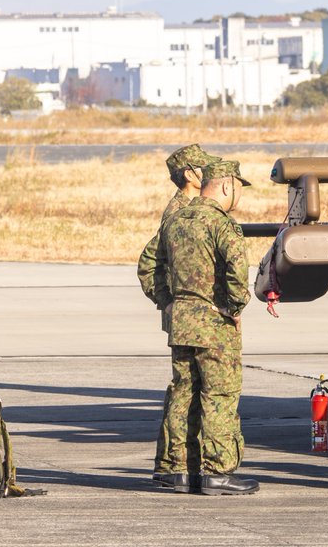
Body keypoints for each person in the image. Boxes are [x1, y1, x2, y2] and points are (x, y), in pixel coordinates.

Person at [153, 159, 257, 495]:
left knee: (184, 395)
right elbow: (237, 272)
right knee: (219, 396)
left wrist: (169, 301)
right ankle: (217, 472)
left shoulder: (176, 219)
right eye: (238, 188)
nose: (237, 195)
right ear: (226, 186)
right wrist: (235, 307)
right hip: (214, 323)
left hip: (182, 321)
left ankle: (179, 470)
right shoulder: (222, 224)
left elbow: (155, 265)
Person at [137, 143, 219, 489]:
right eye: (205, 169)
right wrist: (166, 300)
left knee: (186, 388)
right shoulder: (180, 212)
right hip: (189, 313)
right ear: (190, 175)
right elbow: (152, 263)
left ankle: (173, 464)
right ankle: (174, 464)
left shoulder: (191, 208)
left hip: (190, 312)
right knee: (186, 389)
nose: (212, 176)